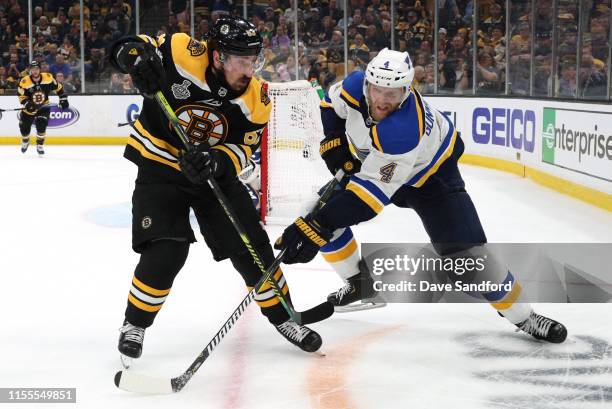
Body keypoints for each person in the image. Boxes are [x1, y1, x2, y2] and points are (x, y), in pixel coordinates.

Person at [274, 48, 568, 344]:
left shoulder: (403, 129)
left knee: (468, 259)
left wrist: (318, 226)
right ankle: (359, 284)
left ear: (407, 89)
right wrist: (334, 141)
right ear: (367, 84)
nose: (382, 100)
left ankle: (524, 316)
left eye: (393, 93)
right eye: (377, 89)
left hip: (432, 178)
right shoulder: (353, 86)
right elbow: (329, 107)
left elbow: (366, 199)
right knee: (312, 212)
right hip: (378, 163)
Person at [109, 16, 322, 367]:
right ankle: (135, 324)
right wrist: (134, 57)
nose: (249, 69)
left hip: (212, 177)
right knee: (167, 250)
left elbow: (241, 148)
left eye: (254, 60)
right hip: (160, 166)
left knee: (252, 248)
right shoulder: (179, 52)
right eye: (241, 60)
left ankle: (286, 318)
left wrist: (216, 162)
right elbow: (130, 45)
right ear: (218, 56)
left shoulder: (258, 99)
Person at [17, 61, 69, 155]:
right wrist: (27, 104)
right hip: (30, 108)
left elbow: (59, 87)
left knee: (41, 125)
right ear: (30, 70)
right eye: (33, 69)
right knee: (24, 127)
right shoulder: (24, 81)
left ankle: (40, 144)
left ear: (39, 69)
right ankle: (25, 140)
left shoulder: (48, 77)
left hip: (44, 106)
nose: (35, 71)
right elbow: (21, 96)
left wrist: (63, 99)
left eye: (37, 68)